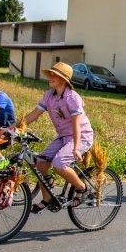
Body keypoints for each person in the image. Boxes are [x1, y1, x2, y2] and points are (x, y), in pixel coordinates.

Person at [22, 62, 94, 213]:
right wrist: (13, 128)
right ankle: (46, 199)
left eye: (54, 75)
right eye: (50, 74)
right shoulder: (49, 96)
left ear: (64, 79)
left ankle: (82, 187)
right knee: (40, 163)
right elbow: (33, 115)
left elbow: (76, 125)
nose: (50, 77)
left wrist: (76, 148)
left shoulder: (72, 98)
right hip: (63, 136)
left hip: (81, 136)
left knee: (59, 163)